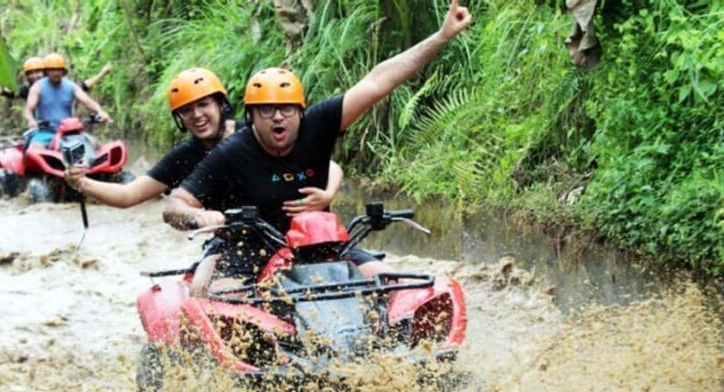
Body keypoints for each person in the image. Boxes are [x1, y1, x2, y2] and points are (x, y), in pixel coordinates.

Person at [164, 0, 472, 283]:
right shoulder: (231, 152)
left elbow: (378, 81)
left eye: (287, 109)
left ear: (300, 112)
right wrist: (197, 217)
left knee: (392, 283)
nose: (278, 117)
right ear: (251, 116)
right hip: (252, 253)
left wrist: (442, 36)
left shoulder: (318, 124)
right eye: (266, 110)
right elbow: (174, 205)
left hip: (320, 247)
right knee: (211, 290)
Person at [65, 67, 343, 295]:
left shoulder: (258, 132)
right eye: (187, 110)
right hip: (233, 241)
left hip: (293, 231)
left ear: (221, 104)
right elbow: (129, 196)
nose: (197, 115)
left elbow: (324, 165)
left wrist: (327, 193)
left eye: (203, 104)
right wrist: (82, 183)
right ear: (180, 118)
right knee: (201, 289)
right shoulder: (183, 158)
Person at [24, 53, 111, 147]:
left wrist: (100, 111)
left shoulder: (71, 86)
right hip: (45, 132)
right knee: (35, 148)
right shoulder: (37, 87)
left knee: (94, 145)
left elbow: (87, 101)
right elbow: (28, 110)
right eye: (52, 70)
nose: (55, 73)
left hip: (69, 132)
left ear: (63, 71)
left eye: (58, 70)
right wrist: (31, 121)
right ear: (47, 72)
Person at [0, 57, 112, 101]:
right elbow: (6, 92)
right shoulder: (28, 90)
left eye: (38, 72)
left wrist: (102, 74)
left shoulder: (63, 86)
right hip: (41, 129)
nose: (35, 76)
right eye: (31, 73)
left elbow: (83, 86)